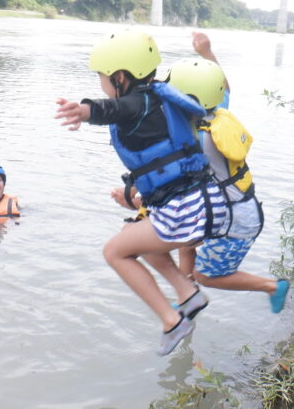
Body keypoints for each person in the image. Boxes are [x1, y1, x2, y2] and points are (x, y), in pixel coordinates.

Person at [55, 29, 228, 356]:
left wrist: (83, 111)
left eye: (102, 77)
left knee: (114, 252)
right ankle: (189, 294)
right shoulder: (164, 98)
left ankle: (172, 321)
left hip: (185, 210)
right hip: (205, 203)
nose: (101, 84)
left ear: (120, 77)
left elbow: (112, 110)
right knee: (131, 233)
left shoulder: (136, 103)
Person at [165, 32, 289, 314]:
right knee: (186, 243)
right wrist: (207, 55)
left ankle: (273, 286)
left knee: (207, 275)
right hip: (229, 207)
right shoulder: (214, 114)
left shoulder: (197, 136)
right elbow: (225, 89)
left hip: (236, 219)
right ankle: (188, 301)